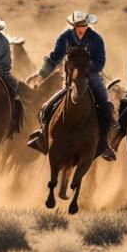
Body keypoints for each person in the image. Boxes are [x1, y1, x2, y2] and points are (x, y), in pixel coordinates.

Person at [25, 10, 116, 162]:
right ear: (74, 25)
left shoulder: (96, 39)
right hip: (70, 80)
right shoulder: (65, 38)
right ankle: (43, 135)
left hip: (91, 76)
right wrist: (41, 74)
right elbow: (55, 57)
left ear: (87, 24)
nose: (81, 27)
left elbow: (100, 61)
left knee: (104, 102)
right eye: (78, 25)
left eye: (84, 24)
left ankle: (104, 142)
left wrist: (86, 69)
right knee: (47, 107)